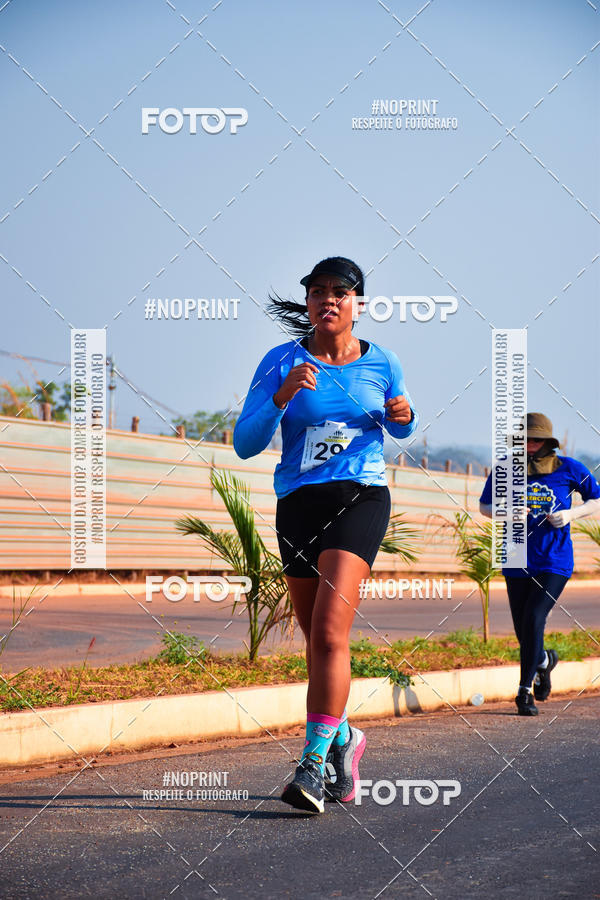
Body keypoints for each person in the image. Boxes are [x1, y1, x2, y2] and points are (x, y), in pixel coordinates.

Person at [233, 256, 418, 812]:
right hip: (298, 504)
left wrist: (403, 416)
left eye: (340, 292)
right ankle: (343, 738)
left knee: (332, 631)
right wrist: (281, 396)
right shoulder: (281, 361)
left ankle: (311, 765)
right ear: (308, 303)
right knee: (315, 637)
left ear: (359, 302)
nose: (328, 300)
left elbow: (400, 424)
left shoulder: (382, 362)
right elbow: (245, 441)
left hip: (359, 496)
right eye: (317, 292)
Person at [479, 413, 600, 716]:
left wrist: (571, 515)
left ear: (548, 441)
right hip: (516, 556)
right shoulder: (506, 468)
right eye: (525, 439)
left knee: (534, 618)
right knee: (524, 630)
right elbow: (484, 506)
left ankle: (524, 691)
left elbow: (597, 499)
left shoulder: (569, 468)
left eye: (536, 440)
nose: (530, 445)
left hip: (554, 559)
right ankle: (544, 660)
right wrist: (507, 513)